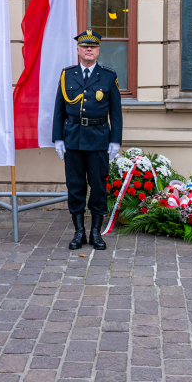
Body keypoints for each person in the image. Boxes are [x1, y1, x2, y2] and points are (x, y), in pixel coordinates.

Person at [52, 30, 122, 251]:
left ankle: (95, 233)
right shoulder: (67, 75)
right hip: (72, 139)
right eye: (85, 46)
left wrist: (115, 141)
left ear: (98, 50)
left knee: (99, 187)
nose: (89, 49)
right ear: (78, 50)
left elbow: (116, 112)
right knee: (75, 186)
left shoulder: (109, 76)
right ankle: (79, 232)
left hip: (99, 139)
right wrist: (57, 139)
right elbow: (58, 111)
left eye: (93, 46)